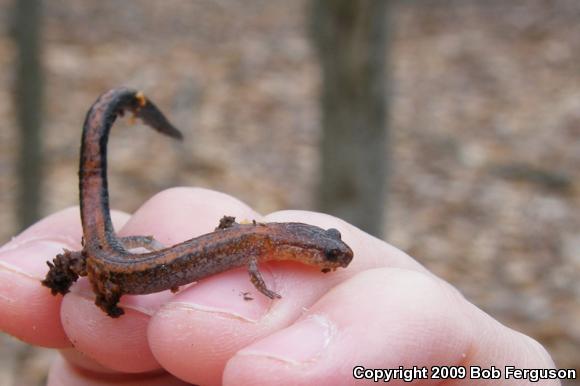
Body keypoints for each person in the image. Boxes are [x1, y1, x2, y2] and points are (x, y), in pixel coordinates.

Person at [0, 188, 559, 385]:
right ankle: (70, 271)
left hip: (121, 262)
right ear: (297, 248)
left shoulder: (252, 241)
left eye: (330, 251)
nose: (332, 260)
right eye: (325, 253)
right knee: (90, 270)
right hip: (117, 272)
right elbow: (253, 275)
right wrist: (265, 294)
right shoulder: (252, 246)